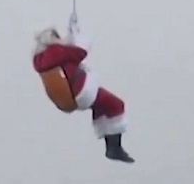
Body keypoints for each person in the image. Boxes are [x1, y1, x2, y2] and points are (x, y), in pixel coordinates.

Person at [31, 13, 134, 163]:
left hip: (73, 95)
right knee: (116, 105)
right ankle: (114, 147)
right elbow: (80, 50)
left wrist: (71, 31)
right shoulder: (55, 52)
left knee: (101, 108)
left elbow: (67, 50)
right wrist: (76, 32)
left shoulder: (42, 57)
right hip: (81, 90)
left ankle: (111, 147)